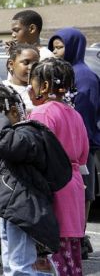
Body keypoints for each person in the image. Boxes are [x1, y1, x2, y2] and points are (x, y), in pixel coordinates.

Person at [0, 84, 72, 275]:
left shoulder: (26, 133)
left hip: (24, 212)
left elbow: (7, 144)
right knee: (13, 264)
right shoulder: (20, 134)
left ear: (13, 111)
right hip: (17, 211)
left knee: (20, 266)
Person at [28, 57, 89, 275]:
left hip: (52, 187)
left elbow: (36, 154)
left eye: (33, 82)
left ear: (43, 86)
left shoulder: (42, 113)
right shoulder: (75, 114)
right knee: (70, 253)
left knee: (49, 257)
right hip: (73, 185)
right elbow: (82, 157)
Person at [48, 27, 100, 259]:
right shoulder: (65, 72)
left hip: (80, 148)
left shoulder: (84, 76)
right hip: (64, 147)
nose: (56, 52)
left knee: (81, 197)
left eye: (60, 47)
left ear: (74, 46)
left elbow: (86, 116)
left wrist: (79, 148)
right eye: (54, 47)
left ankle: (76, 241)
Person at [0, 43, 40, 113]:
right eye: (26, 63)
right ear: (11, 64)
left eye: (35, 64)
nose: (31, 67)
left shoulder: (41, 89)